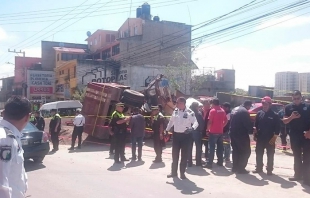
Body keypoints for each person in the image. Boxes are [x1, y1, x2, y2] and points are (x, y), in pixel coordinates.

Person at [0, 96, 30, 198]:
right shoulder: (5, 139)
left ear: (3, 113)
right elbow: (1, 184)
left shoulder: (12, 135)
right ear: (27, 117)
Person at [165, 97, 199, 179]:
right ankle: (173, 172)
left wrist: (192, 128)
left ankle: (182, 173)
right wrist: (166, 129)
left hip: (185, 136)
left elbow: (196, 122)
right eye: (176, 103)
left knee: (184, 156)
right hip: (176, 136)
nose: (176, 104)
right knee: (175, 155)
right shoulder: (175, 111)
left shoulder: (190, 112)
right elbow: (171, 121)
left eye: (178, 103)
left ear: (182, 103)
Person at [283, 90, 310, 185]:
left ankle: (307, 178)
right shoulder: (288, 107)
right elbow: (285, 121)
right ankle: (297, 175)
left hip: (306, 136)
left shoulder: (308, 106)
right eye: (294, 99)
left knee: (307, 157)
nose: (296, 100)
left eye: (298, 98)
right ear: (292, 98)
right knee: (297, 156)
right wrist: (292, 117)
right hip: (294, 135)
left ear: (301, 97)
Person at [252, 96, 281, 175]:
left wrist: (275, 137)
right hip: (260, 137)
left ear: (270, 104)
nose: (264, 105)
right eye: (263, 103)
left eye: (266, 104)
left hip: (270, 138)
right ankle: (259, 168)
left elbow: (278, 128)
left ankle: (269, 169)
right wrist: (255, 134)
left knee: (270, 154)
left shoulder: (275, 115)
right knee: (259, 153)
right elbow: (256, 125)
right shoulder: (259, 113)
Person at [229, 100, 253, 174]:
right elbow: (247, 124)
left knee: (236, 151)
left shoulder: (234, 109)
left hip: (232, 133)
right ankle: (241, 168)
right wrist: (252, 130)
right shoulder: (244, 112)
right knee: (246, 151)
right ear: (248, 105)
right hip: (241, 134)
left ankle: (235, 167)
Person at [204, 98, 228, 169]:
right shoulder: (222, 110)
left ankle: (209, 163)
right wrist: (222, 126)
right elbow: (226, 120)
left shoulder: (213, 111)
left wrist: (207, 130)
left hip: (213, 132)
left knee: (211, 148)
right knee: (220, 148)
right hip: (220, 132)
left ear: (213, 103)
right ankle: (220, 162)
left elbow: (210, 122)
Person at [187, 102, 204, 167]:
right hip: (197, 132)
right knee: (198, 147)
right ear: (196, 107)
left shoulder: (188, 113)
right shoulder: (198, 114)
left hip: (189, 132)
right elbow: (201, 123)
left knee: (189, 147)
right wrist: (201, 131)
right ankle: (198, 162)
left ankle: (189, 162)